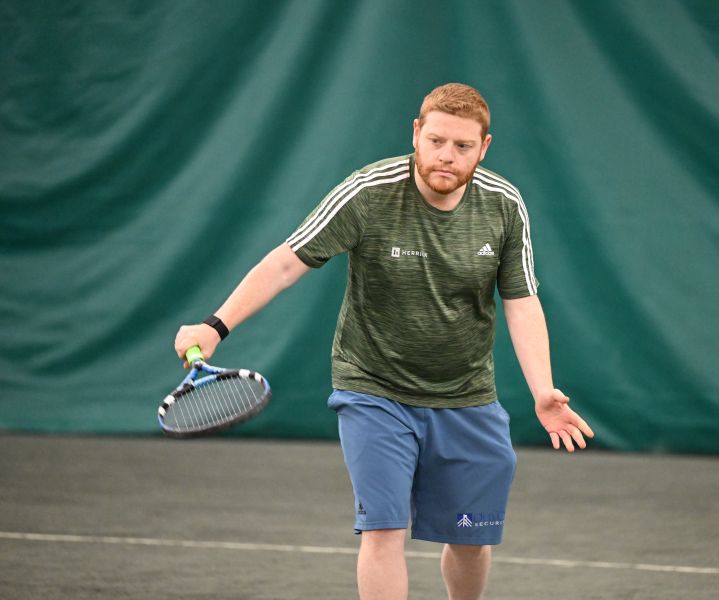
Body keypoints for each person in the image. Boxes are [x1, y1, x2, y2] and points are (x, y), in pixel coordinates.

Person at [174, 83, 594, 600]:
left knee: (470, 540)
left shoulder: (504, 205)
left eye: (463, 146)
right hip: (373, 390)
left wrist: (543, 391)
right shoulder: (367, 192)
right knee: (384, 530)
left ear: (484, 148)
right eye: (436, 141)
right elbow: (286, 263)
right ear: (416, 134)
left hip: (466, 396)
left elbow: (522, 301)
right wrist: (215, 326)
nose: (447, 155)